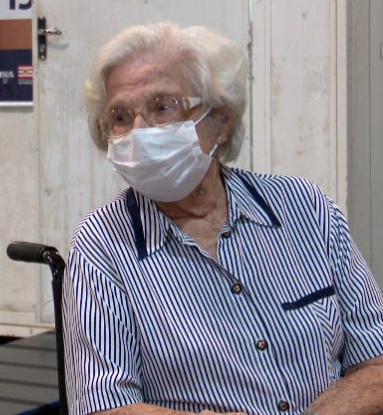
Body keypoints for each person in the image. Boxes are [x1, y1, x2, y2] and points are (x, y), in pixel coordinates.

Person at [63, 22, 383, 415]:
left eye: (163, 107)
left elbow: (376, 363)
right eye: (120, 116)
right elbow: (103, 405)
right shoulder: (101, 244)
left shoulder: (306, 209)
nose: (139, 132)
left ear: (220, 120)